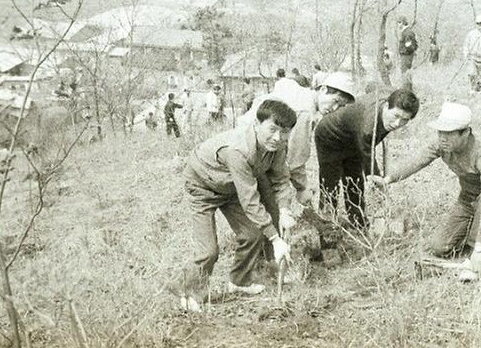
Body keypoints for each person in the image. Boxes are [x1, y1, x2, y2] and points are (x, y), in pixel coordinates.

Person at [177, 99, 297, 311]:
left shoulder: (277, 146)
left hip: (231, 186)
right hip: (202, 185)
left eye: (284, 132)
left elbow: (280, 179)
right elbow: (250, 201)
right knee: (209, 250)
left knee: (252, 234)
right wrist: (276, 238)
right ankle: (189, 294)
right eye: (272, 129)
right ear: (257, 124)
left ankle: (239, 281)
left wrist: (285, 210)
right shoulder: (238, 150)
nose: (278, 137)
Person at [368, 102, 481, 276]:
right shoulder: (442, 144)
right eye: (440, 132)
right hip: (467, 200)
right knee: (438, 246)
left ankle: (475, 246)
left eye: (449, 134)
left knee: (476, 241)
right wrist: (388, 179)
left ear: (465, 133)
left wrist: (479, 247)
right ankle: (471, 236)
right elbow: (418, 160)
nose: (443, 138)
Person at [240, 71, 356, 204]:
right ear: (323, 89)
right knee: (266, 206)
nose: (335, 108)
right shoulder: (305, 111)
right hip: (249, 149)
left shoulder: (300, 92)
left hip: (247, 139)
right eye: (335, 101)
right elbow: (295, 160)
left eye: (341, 106)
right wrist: (302, 188)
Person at [314, 88, 420, 230]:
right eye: (395, 116)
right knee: (330, 184)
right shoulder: (368, 127)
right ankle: (328, 228)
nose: (397, 123)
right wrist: (378, 181)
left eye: (404, 120)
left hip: (353, 137)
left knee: (355, 181)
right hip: (330, 136)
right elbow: (368, 159)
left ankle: (358, 225)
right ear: (387, 106)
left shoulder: (390, 99)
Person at [397, 16, 418, 90]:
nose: (398, 24)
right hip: (407, 56)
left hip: (406, 56)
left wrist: (407, 53)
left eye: (399, 22)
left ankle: (407, 91)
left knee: (405, 74)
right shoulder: (408, 31)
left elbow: (408, 45)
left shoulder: (407, 32)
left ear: (403, 22)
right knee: (407, 74)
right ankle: (408, 90)